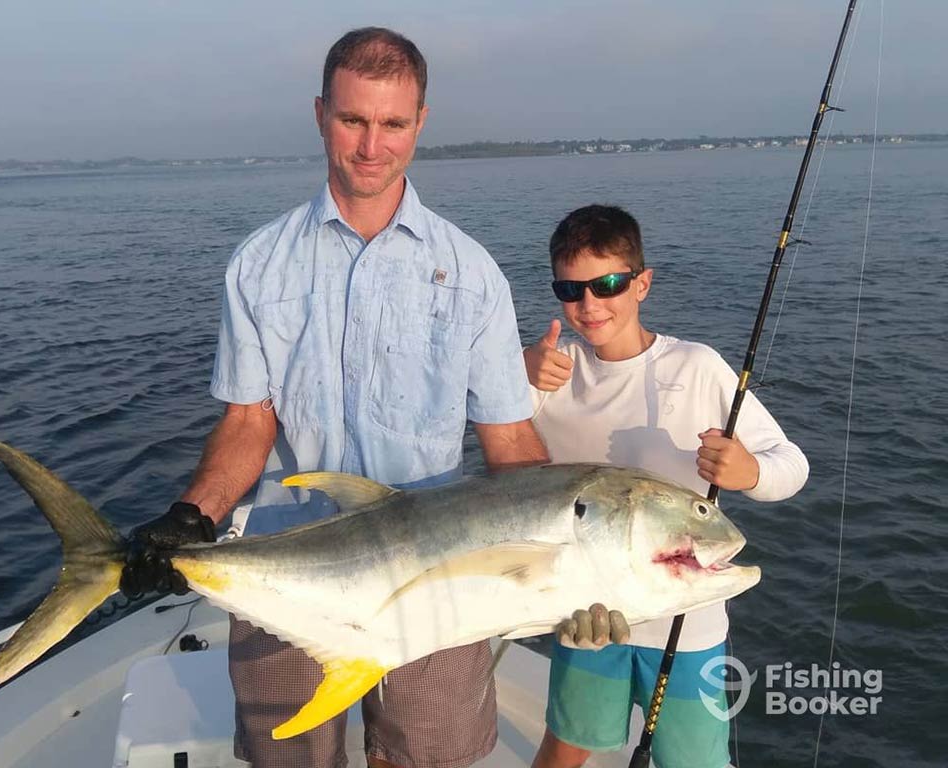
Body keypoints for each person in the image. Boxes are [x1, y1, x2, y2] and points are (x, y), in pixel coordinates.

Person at [120, 27, 549, 768]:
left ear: (421, 123)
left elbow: (510, 443)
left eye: (393, 123)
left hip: (439, 575)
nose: (371, 145)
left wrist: (572, 569)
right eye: (354, 119)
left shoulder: (473, 274)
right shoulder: (259, 264)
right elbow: (249, 420)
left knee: (425, 761)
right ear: (321, 115)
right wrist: (195, 512)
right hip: (291, 560)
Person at [524, 205, 809, 768]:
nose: (589, 304)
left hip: (688, 624)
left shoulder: (697, 367)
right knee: (566, 746)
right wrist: (520, 368)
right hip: (586, 613)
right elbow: (484, 428)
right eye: (570, 288)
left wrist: (749, 472)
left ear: (642, 283)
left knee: (696, 761)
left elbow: (791, 465)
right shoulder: (546, 372)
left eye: (607, 284)